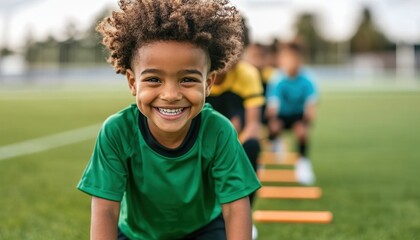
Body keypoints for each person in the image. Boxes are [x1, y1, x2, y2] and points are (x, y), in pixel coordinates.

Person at [77, 1, 261, 239]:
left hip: (203, 229)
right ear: (133, 82)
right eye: (154, 79)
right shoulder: (117, 131)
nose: (171, 95)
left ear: (208, 83)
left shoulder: (218, 131)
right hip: (136, 234)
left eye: (187, 80)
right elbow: (106, 211)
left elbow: (236, 207)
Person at [265, 41, 318, 185]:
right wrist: (272, 120)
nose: (291, 62)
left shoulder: (308, 79)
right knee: (273, 127)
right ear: (281, 60)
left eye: (295, 58)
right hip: (281, 115)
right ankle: (274, 143)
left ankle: (303, 163)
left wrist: (306, 123)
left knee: (302, 132)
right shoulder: (277, 79)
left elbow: (312, 105)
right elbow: (272, 105)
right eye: (287, 58)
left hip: (298, 115)